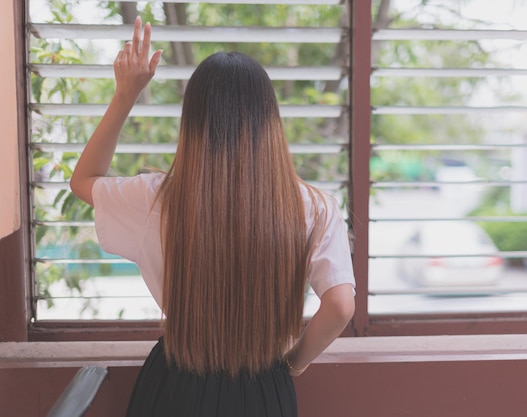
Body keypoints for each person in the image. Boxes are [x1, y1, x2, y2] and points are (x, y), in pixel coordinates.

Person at [70, 17, 355, 417]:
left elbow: (83, 180)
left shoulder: (154, 199)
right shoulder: (314, 206)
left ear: (193, 122)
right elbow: (341, 305)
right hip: (264, 390)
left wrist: (126, 94)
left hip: (174, 388)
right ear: (270, 121)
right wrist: (294, 362)